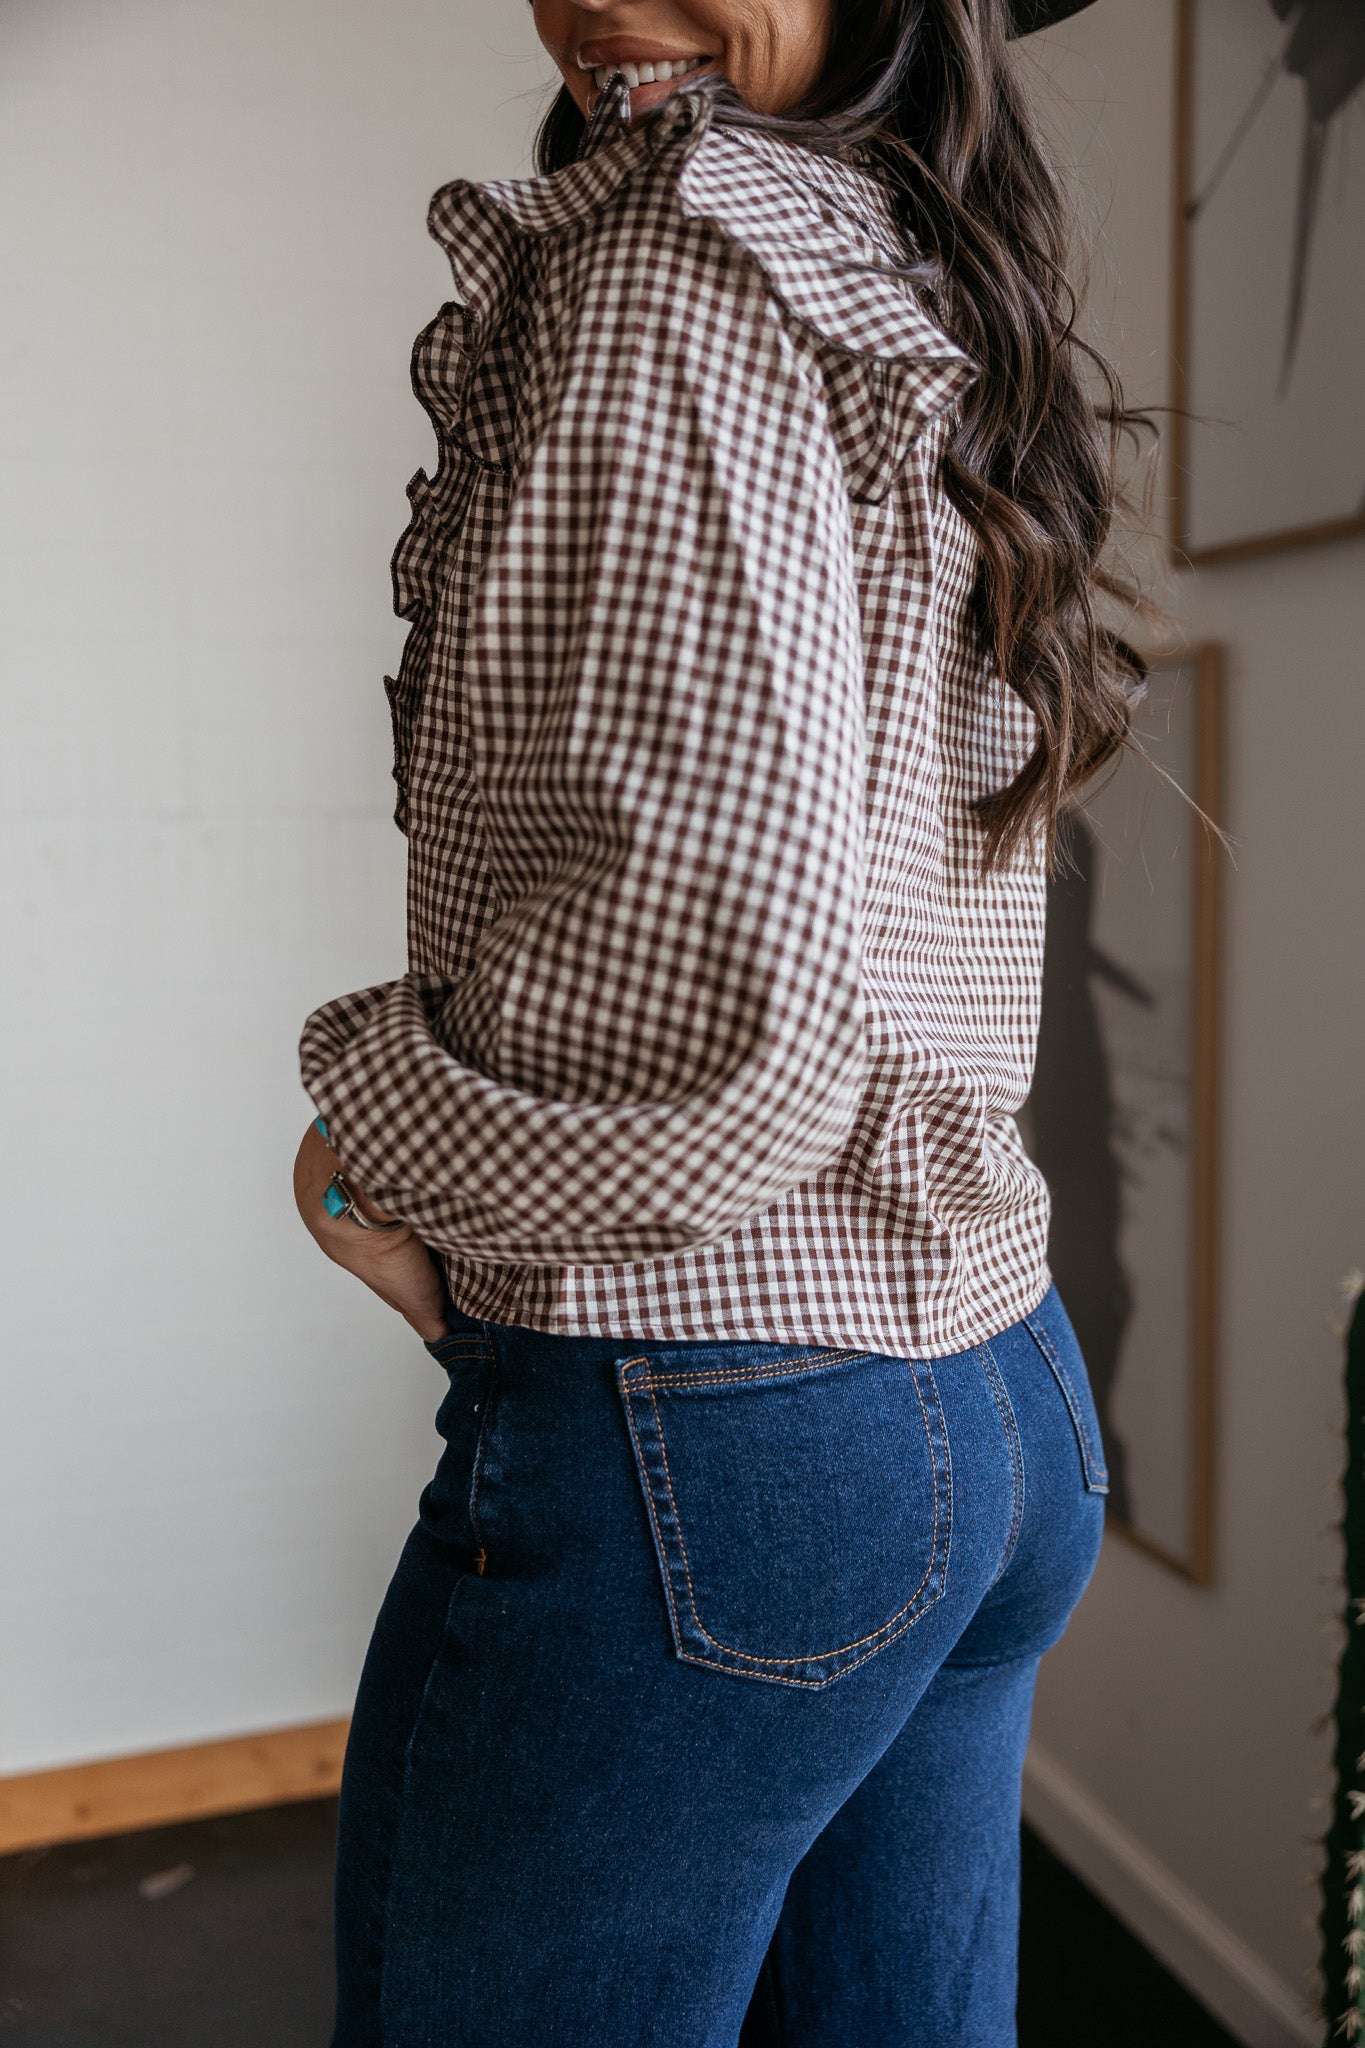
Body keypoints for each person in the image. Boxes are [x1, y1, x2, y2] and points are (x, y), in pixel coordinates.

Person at [293, 0, 1140, 2039]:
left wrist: (381, 1130)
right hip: (988, 1390)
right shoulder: (900, 261)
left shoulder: (677, 262)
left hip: (723, 1423)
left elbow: (715, 1008)